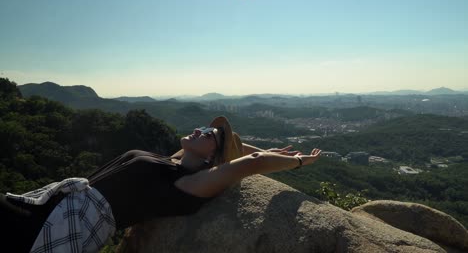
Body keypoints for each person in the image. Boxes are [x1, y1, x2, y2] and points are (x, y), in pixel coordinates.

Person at [1, 116, 321, 253]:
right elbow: (241, 152)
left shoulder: (188, 184)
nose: (199, 130)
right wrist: (261, 149)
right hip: (54, 205)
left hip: (69, 224)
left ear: (213, 160)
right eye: (201, 128)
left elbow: (250, 165)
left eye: (208, 135)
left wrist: (298, 161)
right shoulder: (174, 161)